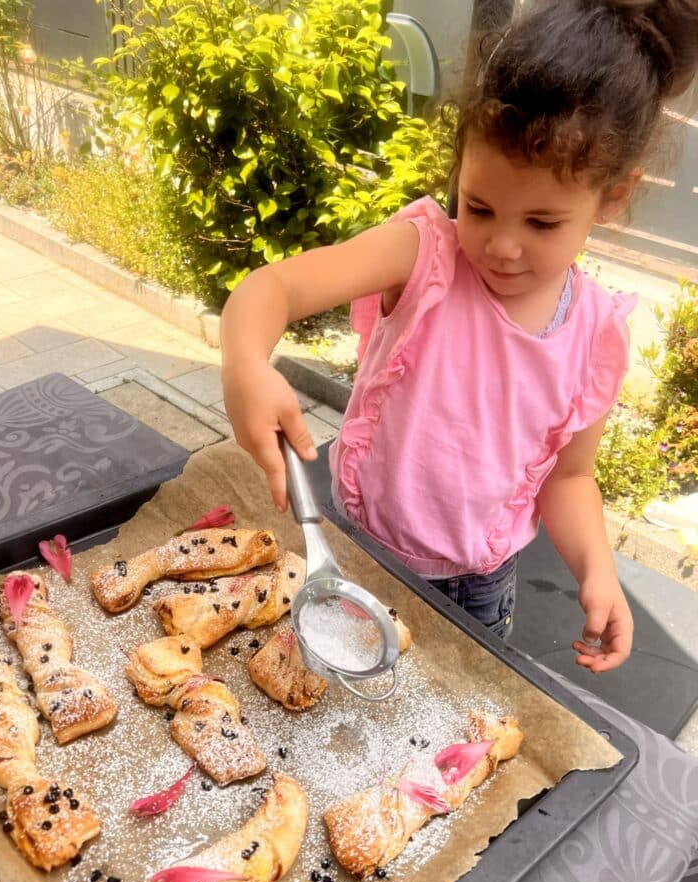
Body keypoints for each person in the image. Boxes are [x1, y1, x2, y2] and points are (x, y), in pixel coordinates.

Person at [221, 0, 698, 674]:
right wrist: (244, 362)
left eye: (541, 222)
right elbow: (272, 290)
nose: (501, 245)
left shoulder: (593, 334)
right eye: (478, 207)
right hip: (359, 554)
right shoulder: (424, 257)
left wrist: (596, 569)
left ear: (614, 197)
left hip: (482, 591)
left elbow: (570, 476)